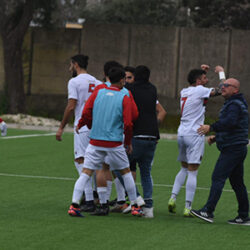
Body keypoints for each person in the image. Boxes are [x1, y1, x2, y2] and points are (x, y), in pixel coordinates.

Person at [68, 67, 140, 218]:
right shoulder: (125, 95)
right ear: (122, 80)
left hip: (95, 141)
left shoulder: (99, 91)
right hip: (113, 142)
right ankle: (134, 206)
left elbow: (87, 111)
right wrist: (127, 142)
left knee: (86, 172)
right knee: (125, 172)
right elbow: (128, 123)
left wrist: (81, 124)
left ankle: (74, 205)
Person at [191, 78, 250, 225]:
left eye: (226, 86)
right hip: (236, 146)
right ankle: (243, 216)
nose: (222, 87)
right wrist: (217, 137)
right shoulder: (234, 103)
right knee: (237, 183)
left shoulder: (235, 104)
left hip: (233, 148)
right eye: (222, 85)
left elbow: (230, 122)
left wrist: (211, 128)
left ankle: (208, 211)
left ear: (235, 90)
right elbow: (234, 126)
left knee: (218, 177)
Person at [168, 65, 224, 217]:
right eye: (205, 78)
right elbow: (221, 90)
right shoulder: (201, 90)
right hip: (195, 133)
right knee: (193, 172)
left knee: (184, 168)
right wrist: (221, 73)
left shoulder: (184, 91)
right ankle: (188, 207)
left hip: (182, 133)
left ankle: (172, 198)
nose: (207, 80)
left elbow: (198, 86)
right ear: (199, 81)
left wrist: (202, 71)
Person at [56, 54, 101, 211]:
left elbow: (71, 106)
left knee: (81, 162)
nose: (70, 68)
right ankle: (96, 197)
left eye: (70, 65)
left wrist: (61, 127)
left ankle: (88, 200)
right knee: (95, 162)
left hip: (82, 127)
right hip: (97, 127)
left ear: (75, 64)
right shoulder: (98, 82)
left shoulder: (74, 82)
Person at [125, 65, 160, 218]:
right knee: (145, 172)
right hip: (152, 135)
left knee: (119, 167)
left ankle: (136, 197)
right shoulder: (153, 89)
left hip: (137, 134)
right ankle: (149, 208)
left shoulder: (129, 89)